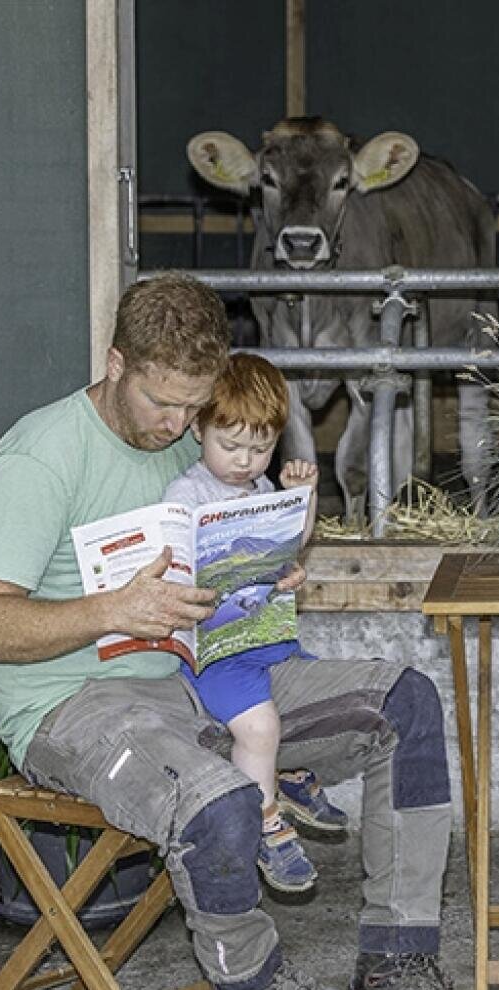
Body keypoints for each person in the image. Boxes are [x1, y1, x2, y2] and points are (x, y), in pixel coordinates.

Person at [0, 273, 468, 990]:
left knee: (404, 704)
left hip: (209, 669)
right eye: (161, 402)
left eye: (195, 408)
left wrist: (265, 566)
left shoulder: (197, 440)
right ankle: (253, 978)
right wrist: (110, 611)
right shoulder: (40, 456)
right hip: (78, 704)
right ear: (115, 362)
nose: (177, 425)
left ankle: (396, 962)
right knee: (219, 793)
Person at [160, 351, 350, 894]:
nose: (245, 461)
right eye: (231, 445)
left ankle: (286, 777)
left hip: (263, 636)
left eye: (261, 448)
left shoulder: (262, 490)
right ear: (199, 429)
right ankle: (266, 824)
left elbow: (291, 548)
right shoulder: (188, 494)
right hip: (217, 652)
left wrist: (301, 501)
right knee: (261, 726)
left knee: (318, 701)